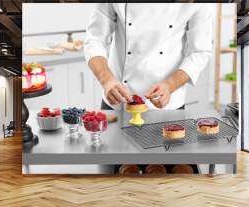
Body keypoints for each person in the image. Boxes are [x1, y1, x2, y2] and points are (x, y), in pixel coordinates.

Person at [84, 3, 213, 174]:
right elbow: (94, 40)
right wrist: (106, 79)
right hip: (118, 98)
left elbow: (200, 51)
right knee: (113, 177)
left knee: (179, 172)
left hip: (168, 104)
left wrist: (171, 85)